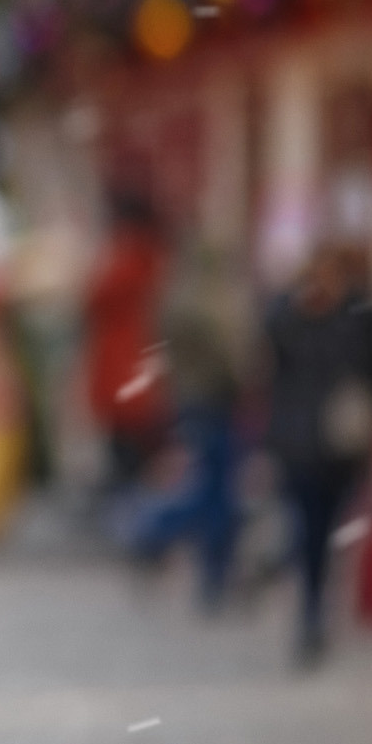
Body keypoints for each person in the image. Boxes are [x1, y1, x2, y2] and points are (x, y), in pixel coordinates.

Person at [261, 241, 372, 668]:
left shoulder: (358, 319)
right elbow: (269, 366)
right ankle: (310, 612)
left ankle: (316, 603)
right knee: (306, 528)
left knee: (330, 530)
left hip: (339, 444)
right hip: (297, 443)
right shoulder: (287, 316)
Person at [125, 243, 245, 612]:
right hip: (212, 400)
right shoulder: (205, 306)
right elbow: (227, 358)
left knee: (202, 482)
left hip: (186, 398)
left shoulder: (172, 299)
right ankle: (171, 544)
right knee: (214, 489)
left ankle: (167, 541)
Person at [83, 188, 169, 499]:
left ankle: (131, 509)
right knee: (139, 447)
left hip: (121, 368)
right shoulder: (157, 259)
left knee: (126, 448)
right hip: (142, 366)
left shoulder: (125, 259)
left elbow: (94, 297)